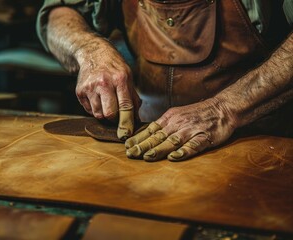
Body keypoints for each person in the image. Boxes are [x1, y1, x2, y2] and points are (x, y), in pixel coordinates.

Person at [36, 0, 293, 161]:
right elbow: (59, 12)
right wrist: (89, 49)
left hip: (262, 144)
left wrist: (224, 109)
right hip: (147, 137)